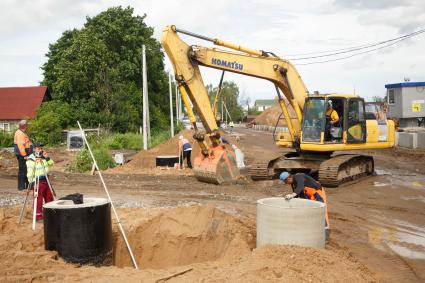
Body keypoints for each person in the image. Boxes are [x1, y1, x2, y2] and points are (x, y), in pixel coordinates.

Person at [26, 142, 54, 222]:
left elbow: (51, 163)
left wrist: (47, 157)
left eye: (41, 148)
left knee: (49, 197)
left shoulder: (44, 157)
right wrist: (31, 183)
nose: (41, 150)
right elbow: (30, 173)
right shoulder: (31, 159)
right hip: (37, 181)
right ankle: (38, 217)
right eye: (39, 148)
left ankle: (51, 214)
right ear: (34, 149)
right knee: (38, 199)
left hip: (46, 180)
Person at [14, 120, 33, 191]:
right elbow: (20, 145)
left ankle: (28, 186)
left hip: (25, 153)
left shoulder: (23, 133)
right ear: (24, 126)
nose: (28, 126)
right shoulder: (20, 134)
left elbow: (27, 143)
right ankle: (21, 187)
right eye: (27, 125)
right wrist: (24, 155)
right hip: (22, 154)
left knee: (27, 169)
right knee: (23, 170)